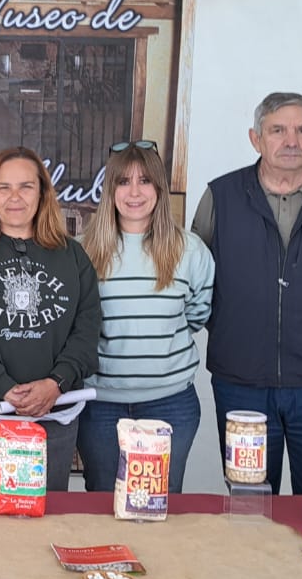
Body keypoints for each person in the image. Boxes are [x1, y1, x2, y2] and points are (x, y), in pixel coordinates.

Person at [192, 92, 302, 495]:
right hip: (242, 381)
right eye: (278, 130)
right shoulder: (221, 196)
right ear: (256, 138)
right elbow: (197, 279)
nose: (291, 141)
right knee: (250, 501)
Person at [0, 147, 101, 492]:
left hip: (53, 414)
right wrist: (3, 387)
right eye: (3, 187)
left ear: (42, 194)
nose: (15, 197)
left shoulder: (72, 255)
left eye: (26, 187)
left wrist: (56, 383)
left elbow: (86, 329)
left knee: (47, 517)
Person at [76, 141, 214, 493]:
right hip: (100, 407)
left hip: (171, 405)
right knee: (104, 510)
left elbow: (198, 313)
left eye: (145, 181)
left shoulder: (190, 250)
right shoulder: (81, 251)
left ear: (159, 189)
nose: (134, 192)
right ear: (110, 191)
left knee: (160, 512)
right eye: (123, 182)